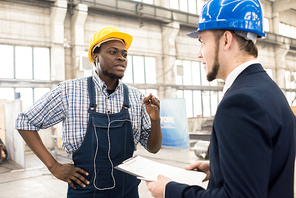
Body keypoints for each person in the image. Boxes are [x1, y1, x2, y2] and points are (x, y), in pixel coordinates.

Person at [146, 0, 296, 197]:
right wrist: (219, 168)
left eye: (202, 41)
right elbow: (265, 167)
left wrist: (169, 190)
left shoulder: (240, 103)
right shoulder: (268, 90)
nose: (199, 54)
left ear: (226, 40)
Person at [15, 26, 162, 198]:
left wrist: (155, 120)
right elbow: (24, 122)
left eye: (124, 53)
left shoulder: (136, 98)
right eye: (113, 52)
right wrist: (53, 166)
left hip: (127, 192)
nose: (121, 57)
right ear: (95, 56)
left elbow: (153, 148)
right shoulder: (70, 91)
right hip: (85, 191)